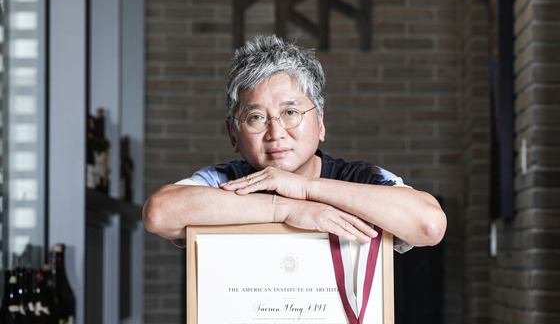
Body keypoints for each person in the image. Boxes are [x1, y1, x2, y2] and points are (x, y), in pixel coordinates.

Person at [143, 34, 446, 250]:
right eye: (255, 118)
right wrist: (285, 210)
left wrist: (305, 190)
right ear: (232, 134)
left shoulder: (361, 180)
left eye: (290, 112)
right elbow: (159, 213)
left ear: (321, 122)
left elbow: (429, 225)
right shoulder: (225, 181)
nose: (275, 132)